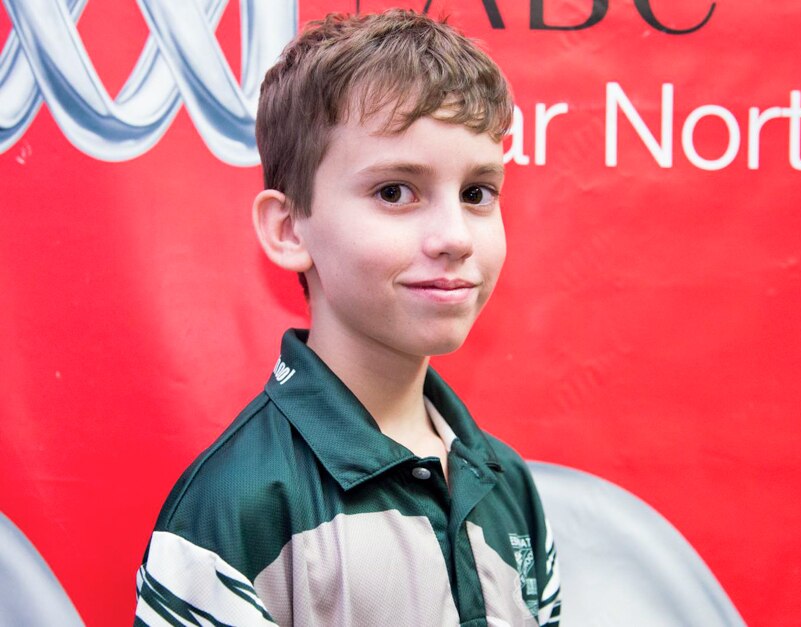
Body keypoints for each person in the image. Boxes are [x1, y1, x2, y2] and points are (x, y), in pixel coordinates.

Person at [135, 9, 560, 626]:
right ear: (288, 230)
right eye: (395, 191)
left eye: (477, 193)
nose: (454, 237)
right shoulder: (237, 507)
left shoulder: (508, 483)